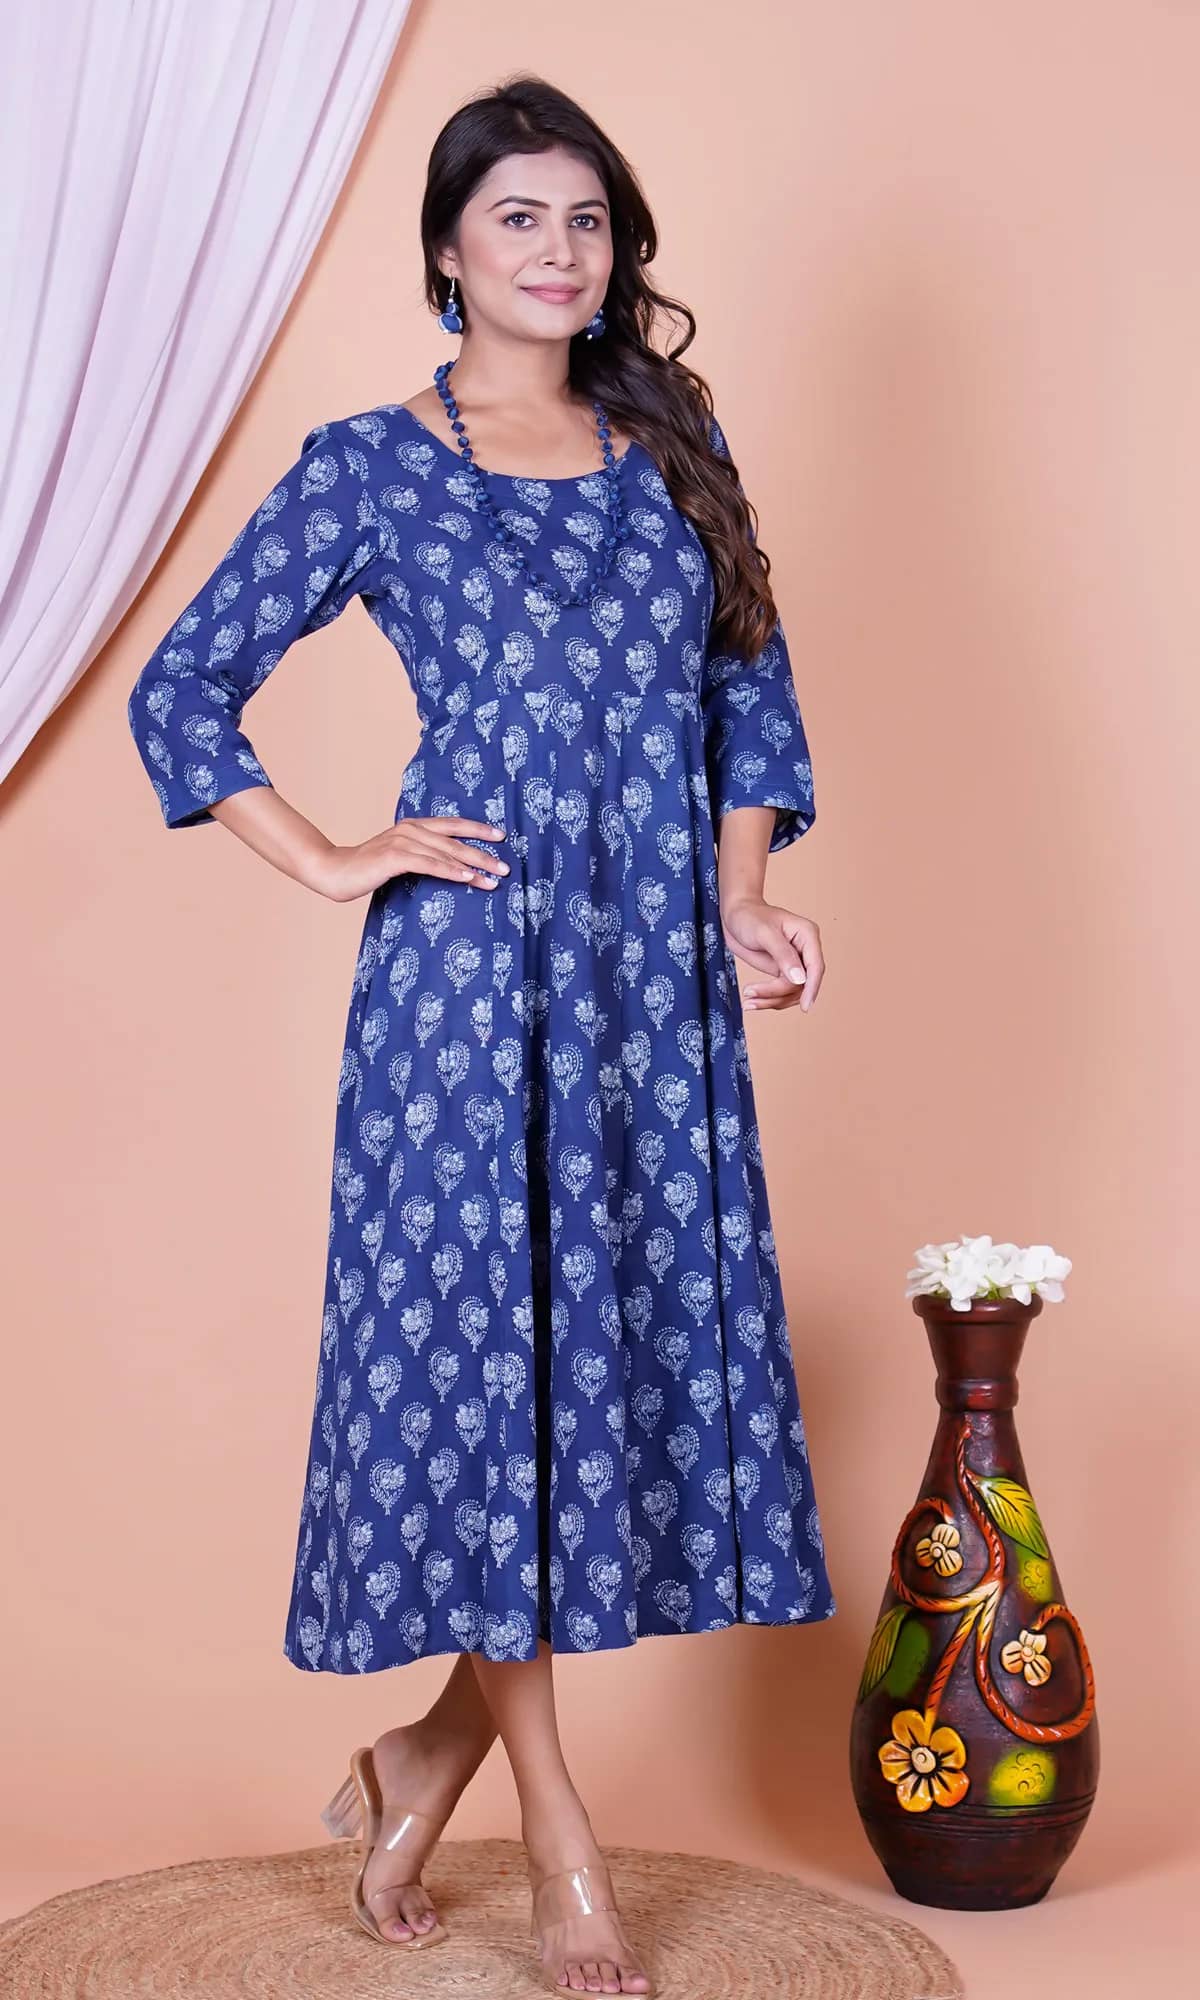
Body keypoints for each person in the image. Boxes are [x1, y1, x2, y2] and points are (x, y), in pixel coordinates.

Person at [127, 72, 836, 2000]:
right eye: (519, 215)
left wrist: (741, 899)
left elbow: (749, 697)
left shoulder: (673, 443)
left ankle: (424, 1757)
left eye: (587, 219)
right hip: (466, 994)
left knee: (595, 1386)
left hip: (647, 988)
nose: (560, 249)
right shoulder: (372, 465)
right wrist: (331, 856)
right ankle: (560, 1827)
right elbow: (185, 688)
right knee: (498, 1385)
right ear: (449, 249)